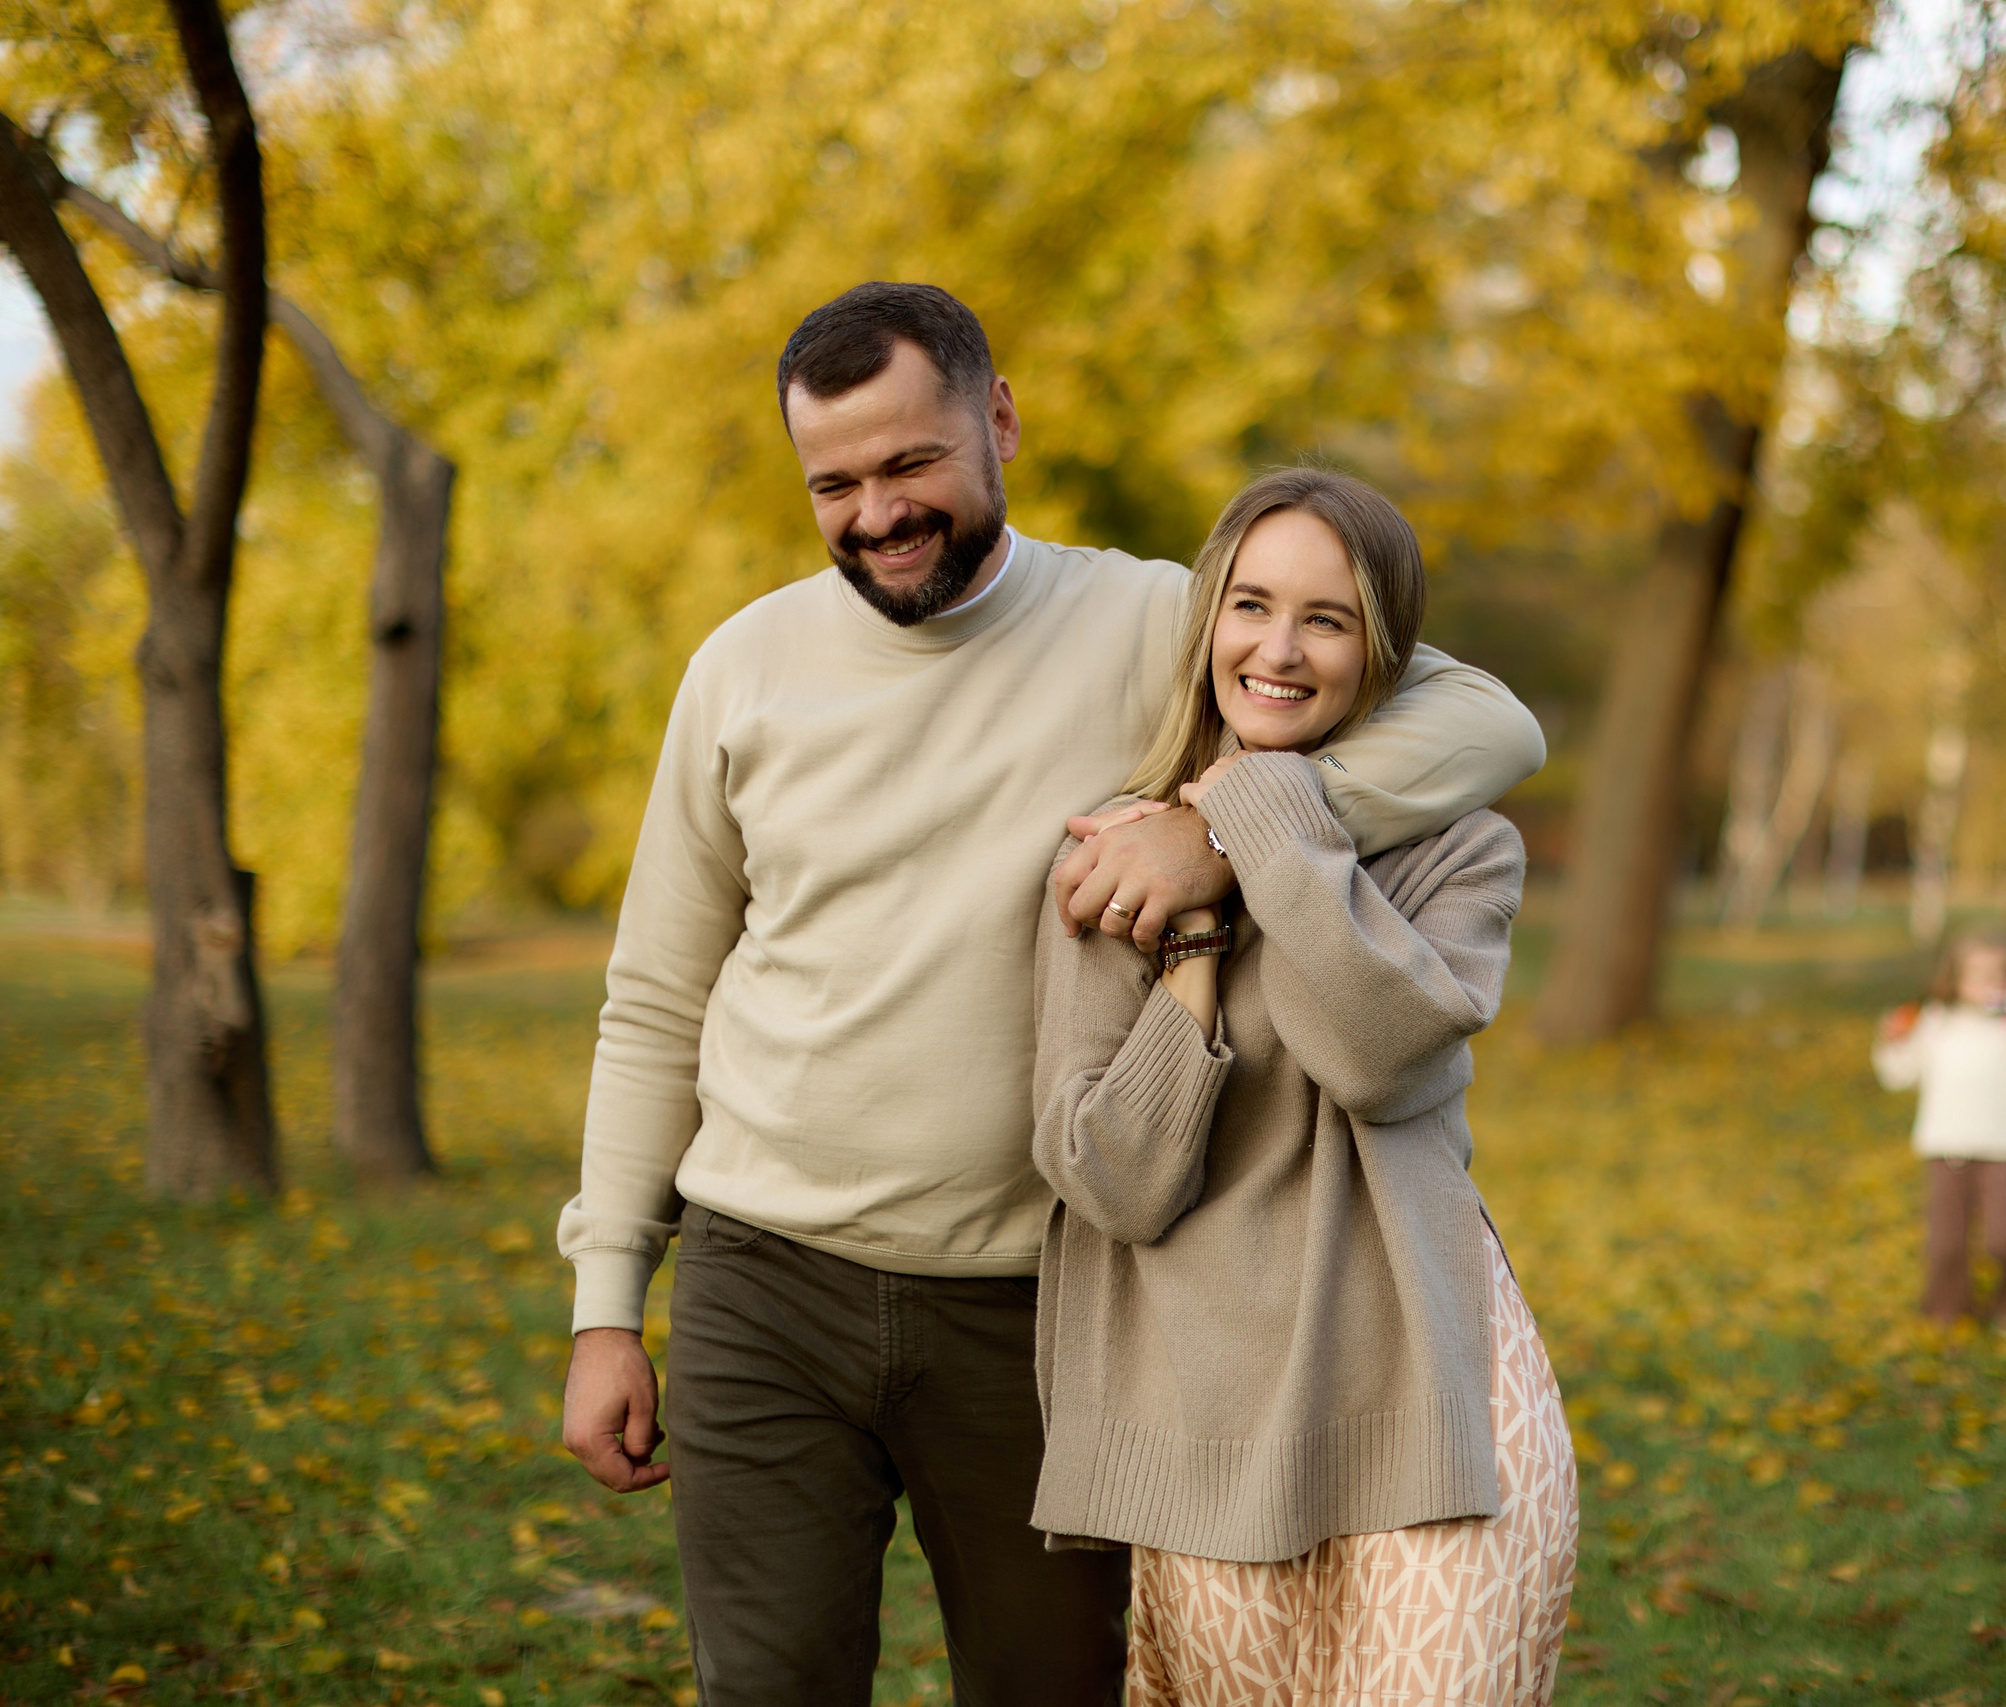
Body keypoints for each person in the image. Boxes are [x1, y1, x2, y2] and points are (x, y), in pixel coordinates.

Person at [553, 285, 1547, 1703]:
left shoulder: (1156, 620)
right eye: (835, 481)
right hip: (762, 1279)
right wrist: (606, 1305)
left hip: (1036, 1304)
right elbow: (655, 999)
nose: (877, 511)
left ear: (999, 418)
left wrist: (1222, 828)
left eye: (911, 464)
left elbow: (1490, 721)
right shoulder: (741, 670)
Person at [1028, 469, 1577, 1704]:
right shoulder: (1112, 862)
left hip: (1439, 1405)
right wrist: (1195, 955)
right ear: (1206, 622)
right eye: (1249, 605)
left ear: (1384, 655)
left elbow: (1379, 1058)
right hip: (1208, 1421)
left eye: (1327, 620)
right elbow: (1114, 1175)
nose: (1278, 649)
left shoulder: (1463, 847)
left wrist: (1249, 834)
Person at [1873, 932, 2006, 1328]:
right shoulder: (1934, 1023)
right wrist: (1891, 1041)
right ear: (1953, 978)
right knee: (1946, 1245)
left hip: (2001, 1147)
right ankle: (1947, 1311)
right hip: (1946, 1148)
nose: (1991, 984)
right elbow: (1899, 1075)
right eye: (1979, 975)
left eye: (2000, 975)